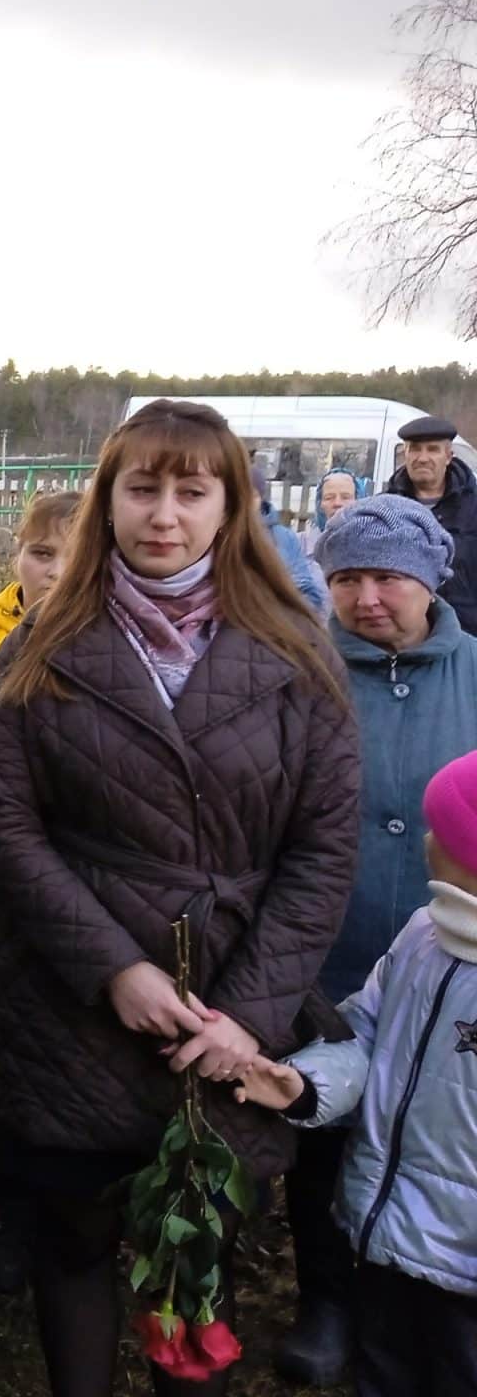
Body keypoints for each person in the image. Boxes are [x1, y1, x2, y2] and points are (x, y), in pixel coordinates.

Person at [0, 399, 360, 1397]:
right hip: (69, 1017)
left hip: (228, 1013)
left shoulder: (294, 654)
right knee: (73, 1256)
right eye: (141, 487)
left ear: (230, 506)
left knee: (197, 1271)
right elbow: (5, 826)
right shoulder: (39, 650)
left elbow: (320, 849)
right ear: (108, 499)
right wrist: (113, 969)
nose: (163, 514)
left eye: (191, 490)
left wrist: (248, 1019)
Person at [273, 492, 477, 1386]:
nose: (366, 598)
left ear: (428, 581)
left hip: (456, 959)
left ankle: (430, 1299)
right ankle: (326, 1297)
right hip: (328, 947)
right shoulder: (299, 674)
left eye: (388, 578)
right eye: (347, 577)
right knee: (322, 1128)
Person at [235, 747, 477, 1397]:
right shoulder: (423, 937)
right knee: (385, 1369)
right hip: (388, 1233)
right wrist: (305, 1083)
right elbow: (366, 1032)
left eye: (441, 831)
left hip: (466, 1265)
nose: (426, 840)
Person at [0, 486, 81, 1296]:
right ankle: (11, 1215)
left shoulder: (122, 640)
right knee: (9, 1054)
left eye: (74, 553)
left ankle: (78, 1219)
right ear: (17, 561)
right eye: (41, 553)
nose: (56, 570)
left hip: (93, 883)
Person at [386, 414, 477, 634]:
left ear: (448, 456)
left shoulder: (473, 507)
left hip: (467, 637)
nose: (423, 457)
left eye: (433, 449)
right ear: (404, 455)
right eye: (415, 449)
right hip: (404, 640)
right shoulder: (386, 508)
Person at [0, 489, 81, 652]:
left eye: (77, 559)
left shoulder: (116, 649)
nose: (58, 572)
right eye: (43, 553)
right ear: (18, 556)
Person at [251, 461, 329, 613]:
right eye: (236, 495)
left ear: (261, 498)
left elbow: (306, 593)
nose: (243, 502)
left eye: (252, 495)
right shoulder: (210, 534)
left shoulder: (283, 538)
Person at [301, 468, 361, 564]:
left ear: (359, 501)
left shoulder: (370, 547)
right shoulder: (300, 545)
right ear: (319, 504)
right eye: (329, 498)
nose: (337, 503)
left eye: (345, 497)